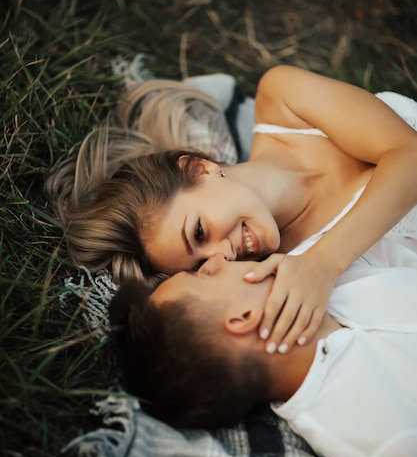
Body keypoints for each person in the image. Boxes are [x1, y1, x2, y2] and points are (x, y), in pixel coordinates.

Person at [46, 65, 417, 354]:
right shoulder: (289, 273)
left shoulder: (284, 102)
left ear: (199, 168)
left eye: (199, 233)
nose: (223, 256)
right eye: (200, 266)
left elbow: (410, 154)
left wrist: (325, 262)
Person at [108, 245, 417, 457]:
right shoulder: (386, 446)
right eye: (203, 276)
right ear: (243, 318)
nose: (215, 259)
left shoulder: (316, 267)